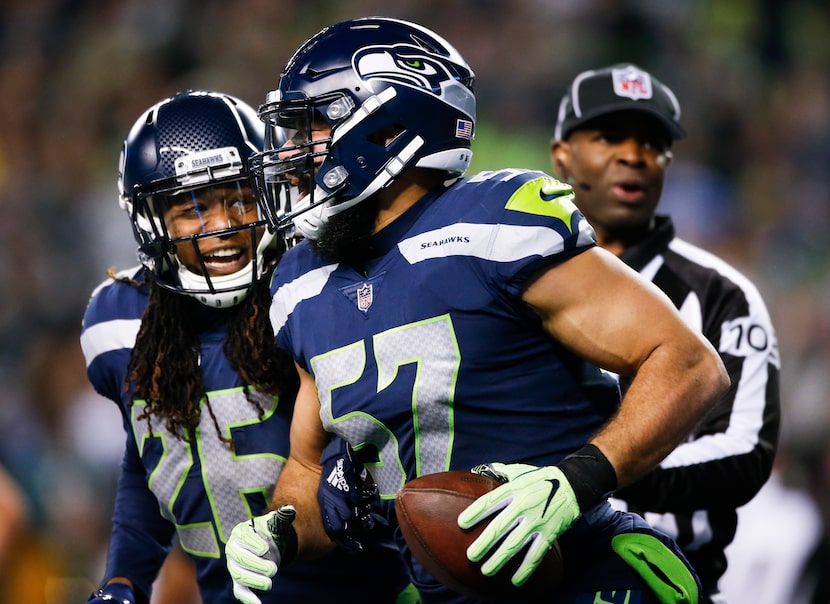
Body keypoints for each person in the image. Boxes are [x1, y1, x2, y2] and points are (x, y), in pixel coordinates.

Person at [224, 17, 729, 604]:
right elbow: (309, 472)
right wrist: (279, 530)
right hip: (439, 590)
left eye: (311, 123)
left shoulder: (491, 224)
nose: (291, 150)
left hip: (576, 576)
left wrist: (573, 483)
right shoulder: (298, 284)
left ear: (386, 123)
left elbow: (689, 364)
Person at [80, 89, 411, 604]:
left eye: (239, 195)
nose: (224, 226)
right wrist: (124, 579)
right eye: (193, 207)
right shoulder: (120, 324)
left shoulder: (320, 294)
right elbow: (152, 458)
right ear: (151, 221)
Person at [549, 63, 781, 603]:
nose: (634, 155)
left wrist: (582, 475)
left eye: (652, 142)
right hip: (522, 576)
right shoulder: (509, 275)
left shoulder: (723, 294)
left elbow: (746, 451)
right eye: (609, 136)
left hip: (667, 580)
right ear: (562, 154)